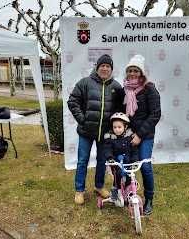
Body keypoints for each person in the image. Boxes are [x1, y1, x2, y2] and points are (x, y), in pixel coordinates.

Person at [67, 54, 122, 205]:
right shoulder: (85, 83)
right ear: (97, 67)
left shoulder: (116, 87)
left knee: (102, 161)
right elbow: (73, 101)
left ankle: (99, 186)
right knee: (82, 161)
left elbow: (120, 108)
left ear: (111, 69)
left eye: (108, 66)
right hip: (86, 131)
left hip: (105, 133)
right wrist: (82, 119)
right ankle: (79, 190)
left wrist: (115, 126)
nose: (105, 69)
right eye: (102, 66)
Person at [121, 54, 161, 214]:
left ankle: (149, 198)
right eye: (130, 71)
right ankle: (129, 192)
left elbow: (155, 114)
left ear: (141, 74)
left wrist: (139, 135)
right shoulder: (125, 89)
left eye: (135, 71)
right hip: (128, 134)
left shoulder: (150, 89)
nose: (132, 74)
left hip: (145, 136)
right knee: (128, 165)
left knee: (145, 166)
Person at [104, 112, 140, 200]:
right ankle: (115, 189)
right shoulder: (111, 139)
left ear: (125, 127)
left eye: (119, 127)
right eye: (115, 127)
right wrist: (110, 158)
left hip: (128, 163)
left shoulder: (129, 138)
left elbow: (135, 151)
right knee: (118, 174)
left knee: (131, 176)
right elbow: (107, 150)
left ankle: (129, 190)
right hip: (116, 163)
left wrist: (135, 161)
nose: (117, 130)